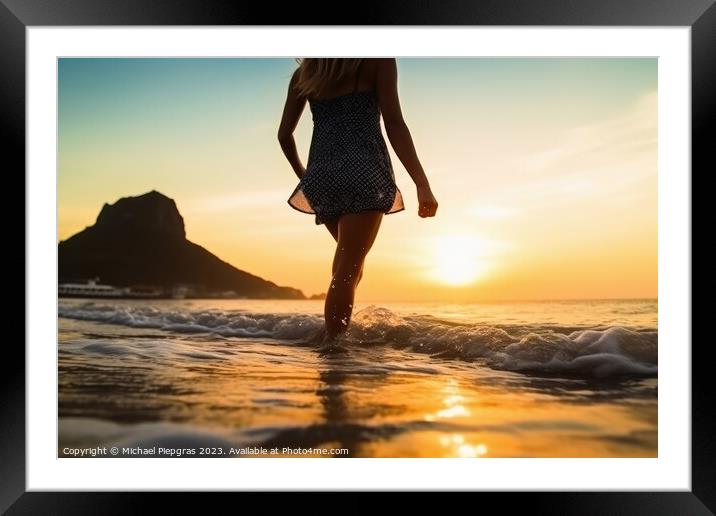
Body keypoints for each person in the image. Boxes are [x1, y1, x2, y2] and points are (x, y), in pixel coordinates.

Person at [278, 58, 437, 349]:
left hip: (323, 178)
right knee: (347, 271)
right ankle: (335, 349)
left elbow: (284, 135)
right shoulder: (378, 61)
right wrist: (421, 183)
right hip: (365, 174)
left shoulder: (306, 73)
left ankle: (335, 340)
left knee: (349, 265)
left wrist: (306, 176)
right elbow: (394, 123)